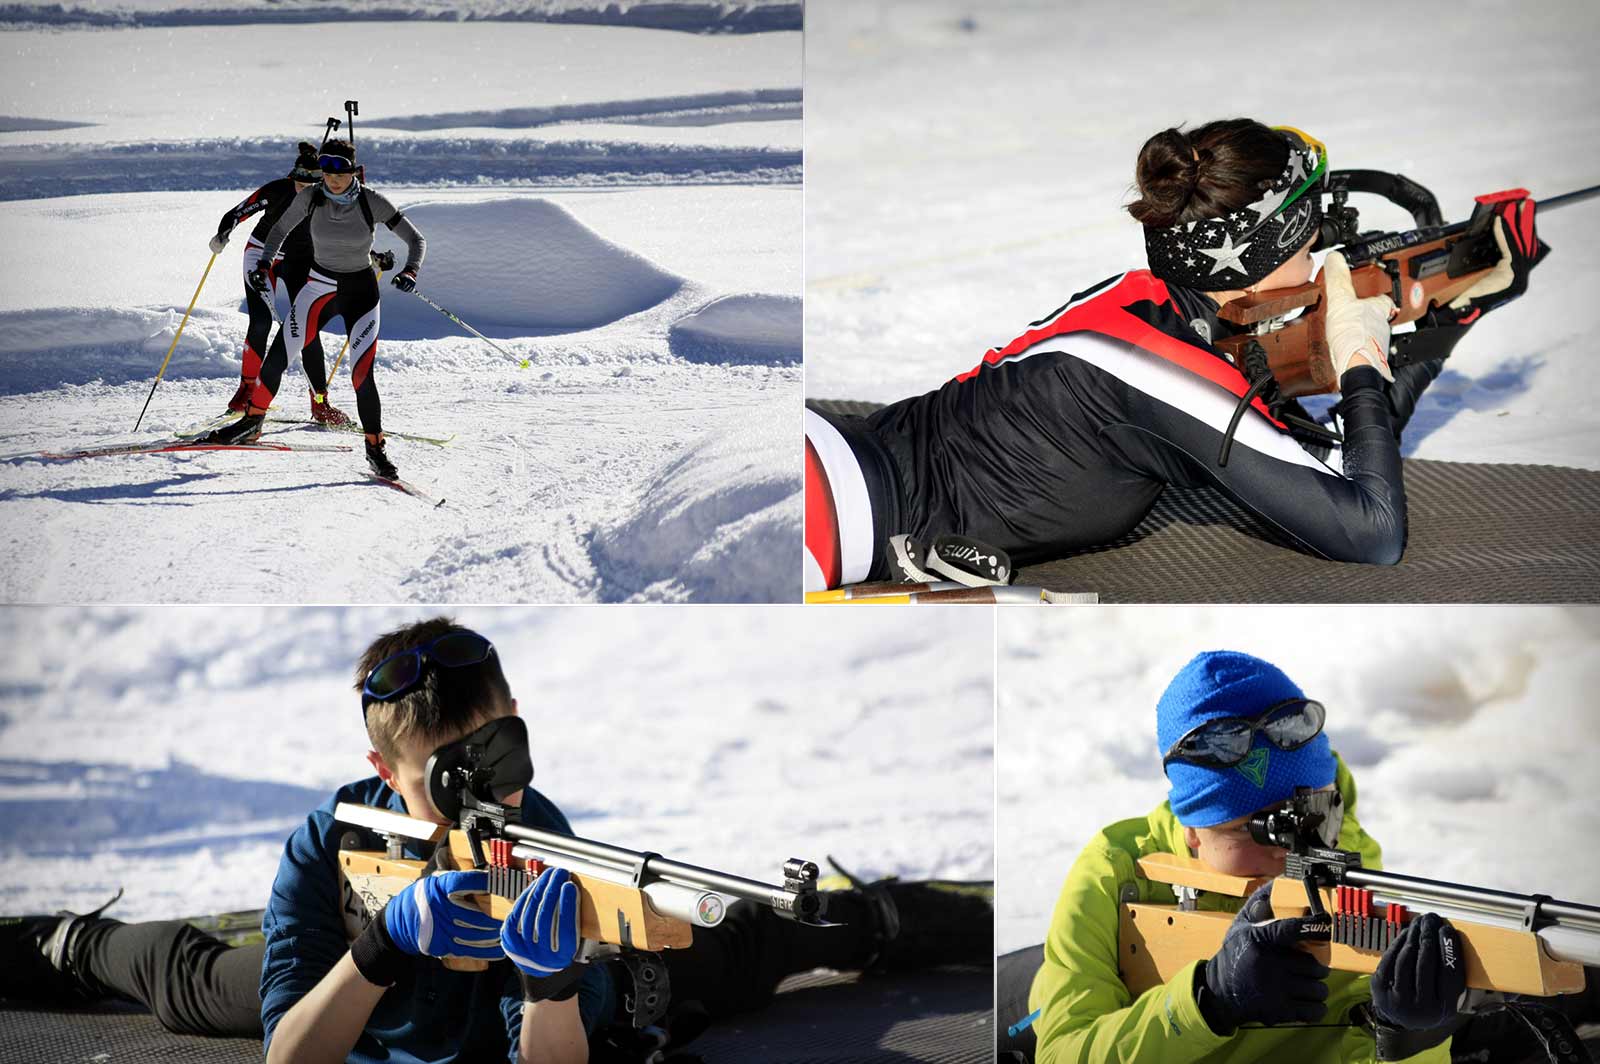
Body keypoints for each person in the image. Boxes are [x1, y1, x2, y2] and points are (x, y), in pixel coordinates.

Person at [0, 617, 991, 1063]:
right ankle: (59, 942)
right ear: (385, 773)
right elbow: (292, 1057)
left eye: (501, 753)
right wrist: (379, 948)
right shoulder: (335, 839)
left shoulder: (541, 838)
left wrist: (553, 981)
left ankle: (887, 915)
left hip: (555, 1001)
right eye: (450, 776)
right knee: (187, 977)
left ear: (516, 712)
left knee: (756, 943)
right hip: (360, 986)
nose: (494, 794)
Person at [803, 119, 1547, 591]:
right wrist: (1356, 357)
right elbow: (1372, 531)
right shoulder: (1173, 379)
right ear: (1269, 251)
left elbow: (1340, 443)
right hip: (831, 519)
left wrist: (1454, 309)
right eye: (1312, 231)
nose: (1325, 246)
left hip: (835, 453)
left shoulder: (1141, 297)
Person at [1010, 650, 1565, 1064]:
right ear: (1193, 831)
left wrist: (1409, 1038)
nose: (1289, 852)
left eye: (1307, 818)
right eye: (1255, 829)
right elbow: (1062, 1053)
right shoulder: (1116, 870)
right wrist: (1207, 1001)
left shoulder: (1347, 861)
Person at [204, 139, 425, 481]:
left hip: (360, 294)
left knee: (361, 375)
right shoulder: (310, 196)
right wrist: (264, 263)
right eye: (327, 170)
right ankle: (252, 423)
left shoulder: (372, 201)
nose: (333, 178)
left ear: (353, 170)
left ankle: (375, 449)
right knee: (278, 356)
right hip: (318, 287)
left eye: (341, 170)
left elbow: (416, 240)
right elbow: (278, 230)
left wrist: (410, 271)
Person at [208, 141, 348, 427]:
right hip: (261, 254)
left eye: (308, 184)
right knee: (260, 322)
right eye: (297, 182)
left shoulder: (330, 198)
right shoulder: (277, 190)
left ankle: (320, 403)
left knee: (307, 331)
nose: (301, 188)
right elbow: (236, 213)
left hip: (300, 261)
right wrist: (223, 234)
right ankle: (247, 391)